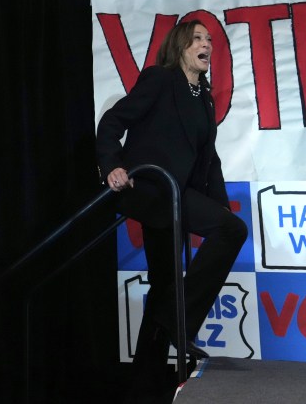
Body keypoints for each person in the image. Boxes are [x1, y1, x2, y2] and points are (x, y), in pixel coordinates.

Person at [96, 20, 247, 402]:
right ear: (180, 46)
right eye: (198, 38)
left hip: (180, 195)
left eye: (210, 40)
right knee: (220, 241)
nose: (207, 45)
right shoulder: (160, 80)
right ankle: (177, 320)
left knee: (214, 242)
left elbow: (208, 160)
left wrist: (220, 208)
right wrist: (111, 164)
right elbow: (113, 121)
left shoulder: (205, 97)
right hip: (154, 189)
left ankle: (142, 386)